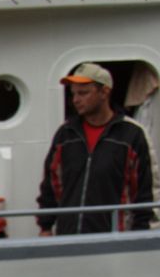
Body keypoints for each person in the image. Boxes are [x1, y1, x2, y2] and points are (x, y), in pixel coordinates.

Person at [36, 62, 154, 235]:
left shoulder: (131, 135)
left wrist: (139, 234)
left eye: (83, 93)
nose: (76, 100)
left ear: (104, 92)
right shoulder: (66, 134)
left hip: (115, 238)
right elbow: (51, 184)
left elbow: (144, 192)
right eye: (73, 93)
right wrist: (45, 227)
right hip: (68, 237)